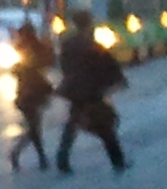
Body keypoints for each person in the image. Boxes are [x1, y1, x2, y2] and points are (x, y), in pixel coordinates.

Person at [54, 10, 128, 173]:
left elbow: (64, 66)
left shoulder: (68, 43)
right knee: (104, 126)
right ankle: (118, 161)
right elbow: (105, 65)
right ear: (89, 23)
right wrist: (117, 80)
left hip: (74, 90)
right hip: (90, 91)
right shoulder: (92, 44)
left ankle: (62, 160)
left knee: (73, 124)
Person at [8, 21, 54, 171]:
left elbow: (16, 70)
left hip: (28, 93)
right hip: (31, 93)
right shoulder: (31, 48)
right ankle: (33, 156)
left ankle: (26, 155)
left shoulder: (23, 49)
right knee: (34, 127)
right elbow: (48, 61)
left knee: (34, 127)